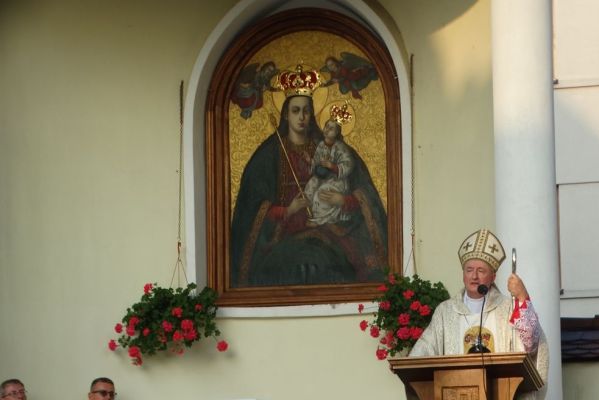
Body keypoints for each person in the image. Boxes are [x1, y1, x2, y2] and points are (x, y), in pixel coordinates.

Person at [230, 64, 387, 287]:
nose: (302, 117)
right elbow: (251, 209)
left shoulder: (333, 149)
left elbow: (364, 194)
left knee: (325, 261)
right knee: (295, 262)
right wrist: (288, 210)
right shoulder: (269, 155)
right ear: (285, 114)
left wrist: (343, 200)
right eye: (295, 110)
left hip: (330, 232)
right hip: (283, 237)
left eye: (306, 110)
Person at [408, 228, 549, 399]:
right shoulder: (445, 312)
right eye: (469, 270)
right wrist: (406, 365)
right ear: (463, 274)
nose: (474, 276)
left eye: (481, 271)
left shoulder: (508, 308)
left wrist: (522, 297)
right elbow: (425, 349)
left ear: (493, 276)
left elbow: (532, 343)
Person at [304, 104, 354, 227]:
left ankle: (320, 220)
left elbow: (348, 165)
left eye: (331, 128)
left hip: (337, 180)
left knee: (322, 194)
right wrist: (310, 161)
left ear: (337, 132)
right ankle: (312, 214)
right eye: (326, 126)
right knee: (310, 188)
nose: (327, 130)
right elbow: (316, 161)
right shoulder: (321, 145)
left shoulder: (340, 147)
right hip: (323, 177)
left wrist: (332, 166)